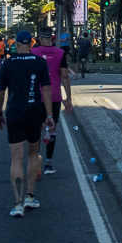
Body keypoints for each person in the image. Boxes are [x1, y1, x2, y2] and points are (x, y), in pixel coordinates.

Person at [0, 30, 54, 217]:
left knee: (16, 158)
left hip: (14, 112)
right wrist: (50, 114)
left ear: (16, 44)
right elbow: (46, 89)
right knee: (33, 154)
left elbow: (0, 91)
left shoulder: (8, 63)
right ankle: (30, 196)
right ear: (31, 43)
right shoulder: (39, 62)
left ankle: (18, 202)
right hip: (34, 112)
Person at [31, 27, 73, 176]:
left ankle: (35, 164)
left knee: (35, 130)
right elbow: (65, 76)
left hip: (36, 96)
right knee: (52, 128)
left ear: (39, 38)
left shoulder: (33, 52)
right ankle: (48, 163)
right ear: (52, 38)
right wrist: (68, 99)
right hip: (54, 96)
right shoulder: (60, 53)